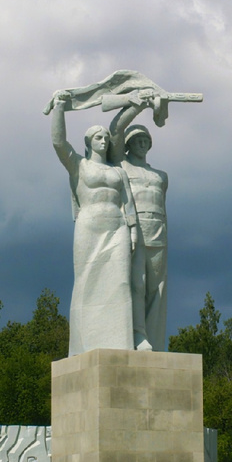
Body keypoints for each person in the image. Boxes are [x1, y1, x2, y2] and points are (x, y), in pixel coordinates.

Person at [48, 93, 141, 354]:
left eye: (105, 137)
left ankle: (119, 343)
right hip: (89, 225)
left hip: (117, 227)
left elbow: (128, 202)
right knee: (86, 281)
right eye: (97, 137)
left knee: (120, 282)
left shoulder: (118, 172)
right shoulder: (79, 165)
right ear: (89, 142)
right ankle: (83, 345)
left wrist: (133, 230)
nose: (103, 141)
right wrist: (59, 108)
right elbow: (58, 142)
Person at [111, 115, 169, 352]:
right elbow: (115, 130)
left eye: (146, 139)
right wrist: (137, 105)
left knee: (157, 288)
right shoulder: (120, 167)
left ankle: (154, 339)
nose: (142, 143)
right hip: (134, 232)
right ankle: (137, 335)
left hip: (159, 231)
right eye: (137, 140)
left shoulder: (161, 176)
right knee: (138, 286)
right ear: (128, 144)